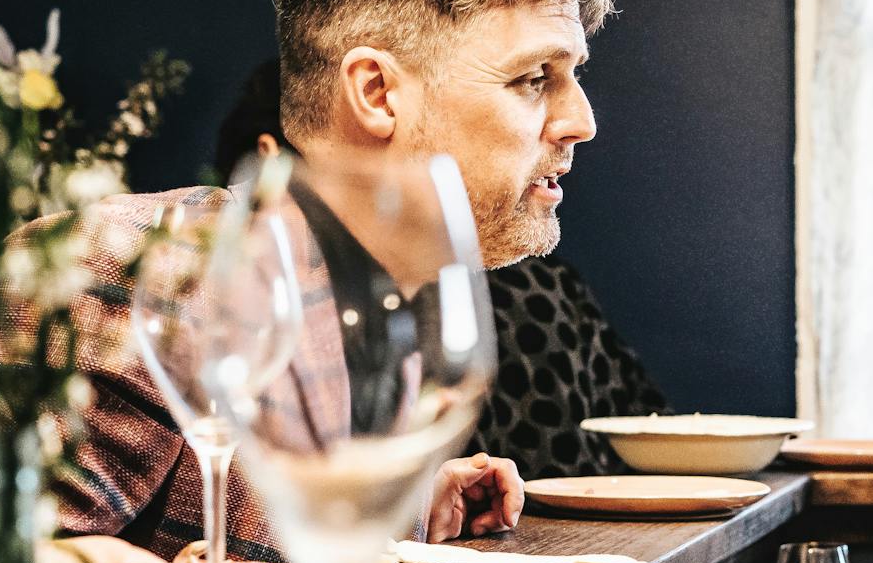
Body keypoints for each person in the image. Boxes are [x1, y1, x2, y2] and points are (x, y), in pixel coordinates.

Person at [0, 0, 609, 563]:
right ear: (376, 92)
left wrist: (389, 505)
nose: (581, 121)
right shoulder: (134, 267)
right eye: (535, 78)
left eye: (572, 77)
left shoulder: (388, 303)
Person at [216, 59, 670, 480]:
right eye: (533, 78)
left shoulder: (443, 288)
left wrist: (417, 510)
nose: (584, 124)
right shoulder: (201, 271)